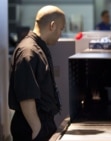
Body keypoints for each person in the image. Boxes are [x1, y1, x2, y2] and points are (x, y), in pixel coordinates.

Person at [8, 5, 66, 141]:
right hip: (31, 127)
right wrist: (37, 129)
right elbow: (26, 96)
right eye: (61, 29)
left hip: (39, 122)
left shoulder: (37, 48)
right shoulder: (28, 52)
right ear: (52, 25)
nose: (60, 34)